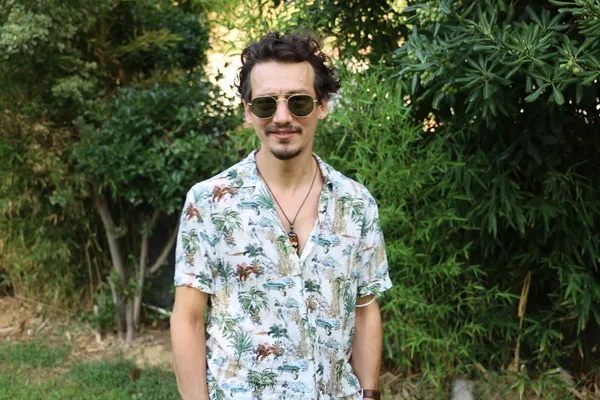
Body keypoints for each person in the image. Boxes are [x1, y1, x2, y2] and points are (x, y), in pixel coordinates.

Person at [170, 31, 392, 400]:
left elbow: (365, 308)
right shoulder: (208, 202)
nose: (283, 117)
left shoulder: (356, 203)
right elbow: (188, 319)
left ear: (322, 106)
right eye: (265, 104)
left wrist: (369, 394)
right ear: (248, 111)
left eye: (299, 102)